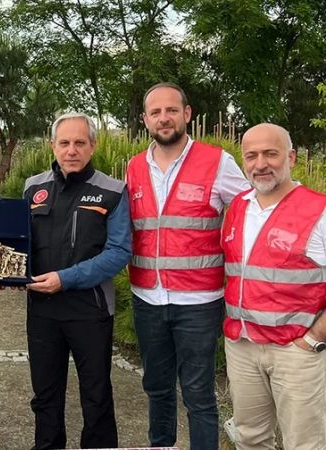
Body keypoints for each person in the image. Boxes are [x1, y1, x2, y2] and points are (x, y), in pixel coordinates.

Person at [126, 82, 250, 449]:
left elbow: (250, 212)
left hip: (199, 302)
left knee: (198, 395)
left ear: (187, 114)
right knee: (157, 388)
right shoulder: (135, 167)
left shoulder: (217, 162)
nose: (164, 118)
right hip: (147, 298)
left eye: (171, 110)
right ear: (145, 119)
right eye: (156, 112)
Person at [23, 112, 131, 449]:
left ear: (93, 146)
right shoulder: (33, 187)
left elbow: (119, 252)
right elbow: (20, 245)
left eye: (80, 143)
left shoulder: (113, 191)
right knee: (45, 396)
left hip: (90, 310)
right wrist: (5, 274)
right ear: (52, 145)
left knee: (96, 396)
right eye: (65, 143)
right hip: (42, 311)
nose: (72, 150)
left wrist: (65, 279)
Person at [222, 123, 326, 449]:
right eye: (251, 155)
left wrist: (315, 338)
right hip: (242, 345)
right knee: (250, 438)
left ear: (291, 157)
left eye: (271, 154)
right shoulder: (238, 207)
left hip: (295, 351)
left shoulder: (319, 210)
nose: (260, 164)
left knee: (304, 443)